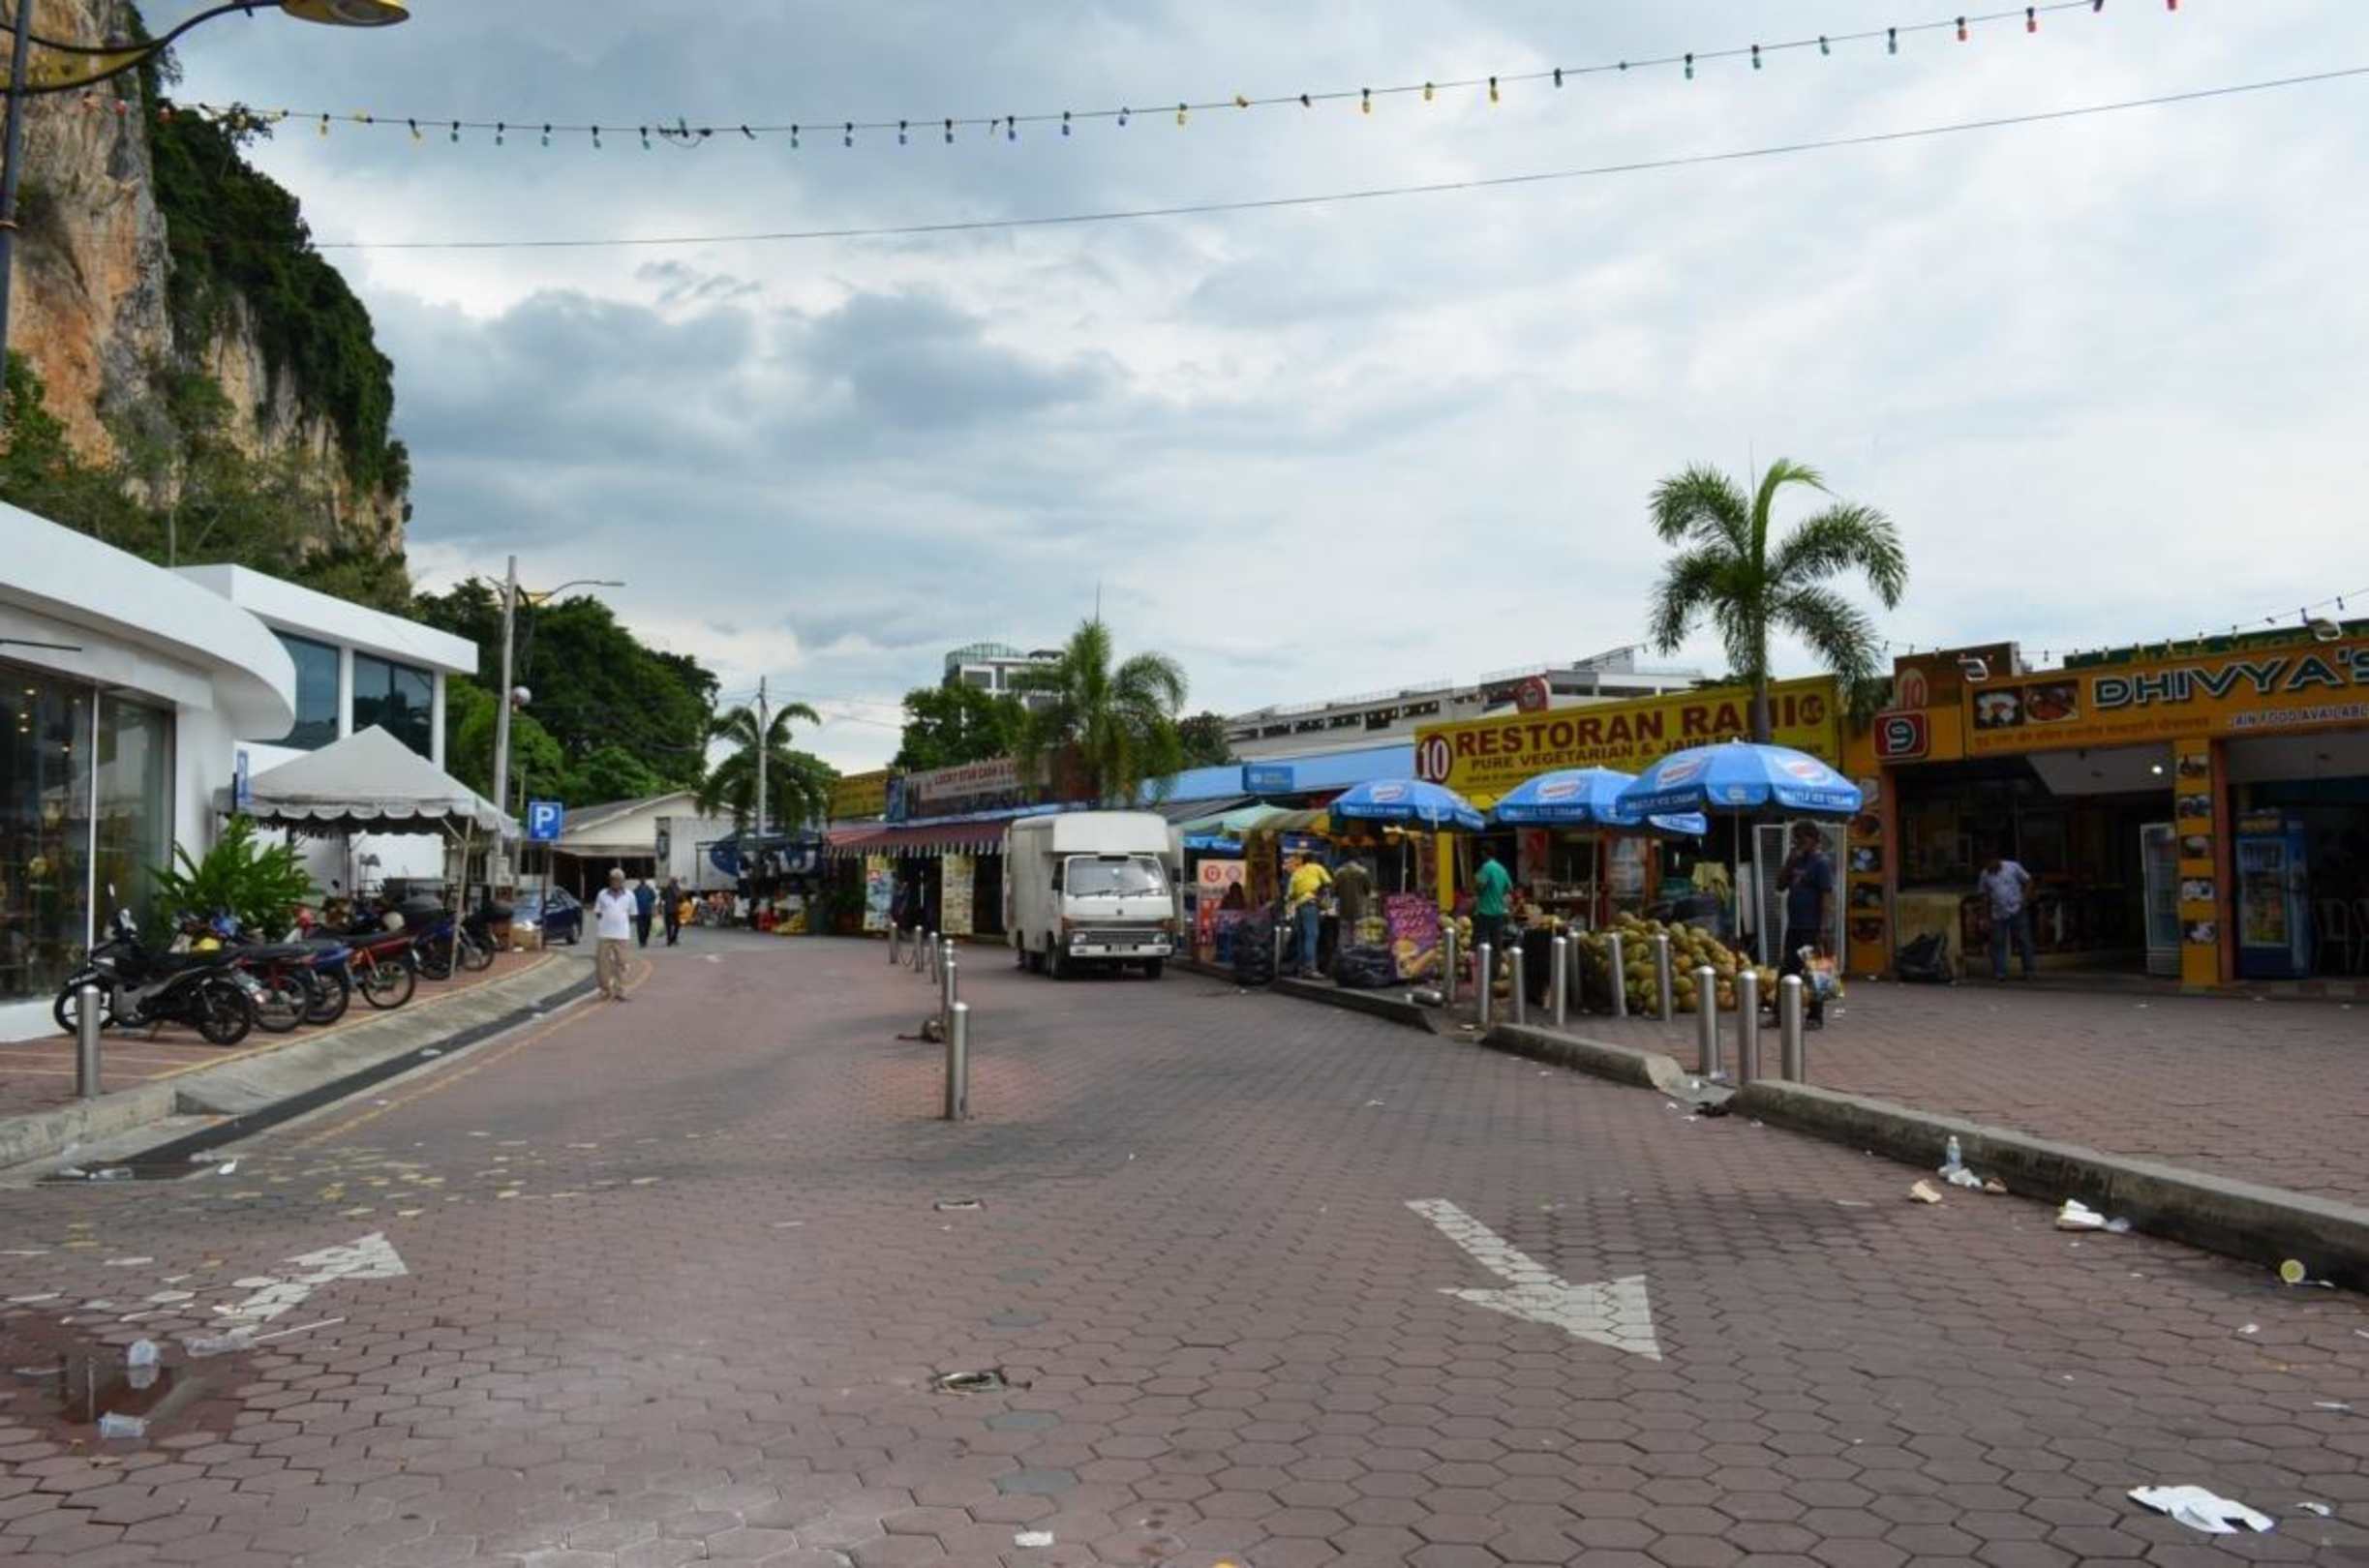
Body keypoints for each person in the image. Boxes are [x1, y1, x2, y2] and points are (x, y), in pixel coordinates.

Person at [1777, 823, 1835, 1028]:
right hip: (1795, 925)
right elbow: (1780, 886)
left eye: (1801, 838)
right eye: (1795, 839)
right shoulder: (1796, 861)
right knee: (1787, 970)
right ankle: (1780, 1014)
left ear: (1813, 839)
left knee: (1817, 972)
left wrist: (1824, 928)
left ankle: (1815, 1017)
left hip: (1812, 926)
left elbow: (1826, 896)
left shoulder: (1821, 863)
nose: (1797, 843)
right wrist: (1789, 863)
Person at [1977, 851, 2038, 980]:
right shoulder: (1985, 874)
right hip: (1998, 913)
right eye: (1986, 864)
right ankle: (2000, 972)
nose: (1988, 867)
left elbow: (2028, 880)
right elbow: (1984, 896)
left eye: (1990, 863)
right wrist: (1985, 917)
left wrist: (2025, 898)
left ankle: (2029, 970)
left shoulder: (2013, 867)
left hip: (2017, 908)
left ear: (1997, 860)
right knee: (1998, 942)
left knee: (2024, 940)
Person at [1284, 852, 1332, 978]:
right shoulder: (1317, 868)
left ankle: (1301, 969)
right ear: (1314, 860)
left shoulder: (1296, 873)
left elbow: (1290, 895)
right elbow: (1329, 882)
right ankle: (1310, 969)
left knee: (1302, 938)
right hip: (1310, 904)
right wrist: (1319, 893)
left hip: (1299, 906)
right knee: (1311, 936)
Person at [592, 868, 636, 1002]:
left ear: (623, 881)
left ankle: (621, 991)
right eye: (613, 879)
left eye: (619, 879)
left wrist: (621, 923)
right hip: (604, 934)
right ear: (610, 880)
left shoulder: (629, 895)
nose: (616, 882)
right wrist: (608, 921)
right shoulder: (602, 894)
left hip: (622, 935)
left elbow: (633, 914)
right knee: (602, 963)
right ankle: (605, 990)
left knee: (622, 963)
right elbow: (598, 912)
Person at [1472, 846, 1513, 970]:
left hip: (1485, 911)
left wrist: (1477, 890)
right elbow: (1509, 888)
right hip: (1499, 912)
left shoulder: (1486, 867)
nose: (1481, 855)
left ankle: (1481, 971)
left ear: (1485, 853)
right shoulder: (1502, 869)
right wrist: (1497, 894)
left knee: (1480, 943)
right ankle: (1495, 972)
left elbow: (1480, 885)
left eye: (1482, 853)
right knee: (1497, 945)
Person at [1334, 857, 1374, 930]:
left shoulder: (1339, 873)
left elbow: (1334, 889)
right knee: (1358, 928)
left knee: (1344, 929)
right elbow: (1368, 889)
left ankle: (1346, 937)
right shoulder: (1363, 872)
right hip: (1359, 906)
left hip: (1344, 906)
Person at [631, 876, 656, 948]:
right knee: (640, 927)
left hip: (648, 911)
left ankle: (645, 939)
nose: (642, 880)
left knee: (648, 927)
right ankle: (641, 942)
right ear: (640, 881)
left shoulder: (649, 889)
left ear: (645, 880)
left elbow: (653, 897)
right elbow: (632, 900)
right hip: (639, 911)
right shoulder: (636, 890)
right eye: (641, 879)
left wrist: (651, 905)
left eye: (644, 879)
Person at [662, 876, 684, 947]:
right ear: (676, 882)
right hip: (675, 909)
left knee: (668, 925)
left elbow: (662, 897)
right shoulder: (677, 888)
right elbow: (680, 899)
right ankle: (673, 938)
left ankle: (669, 941)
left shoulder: (665, 888)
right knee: (677, 924)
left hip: (667, 909)